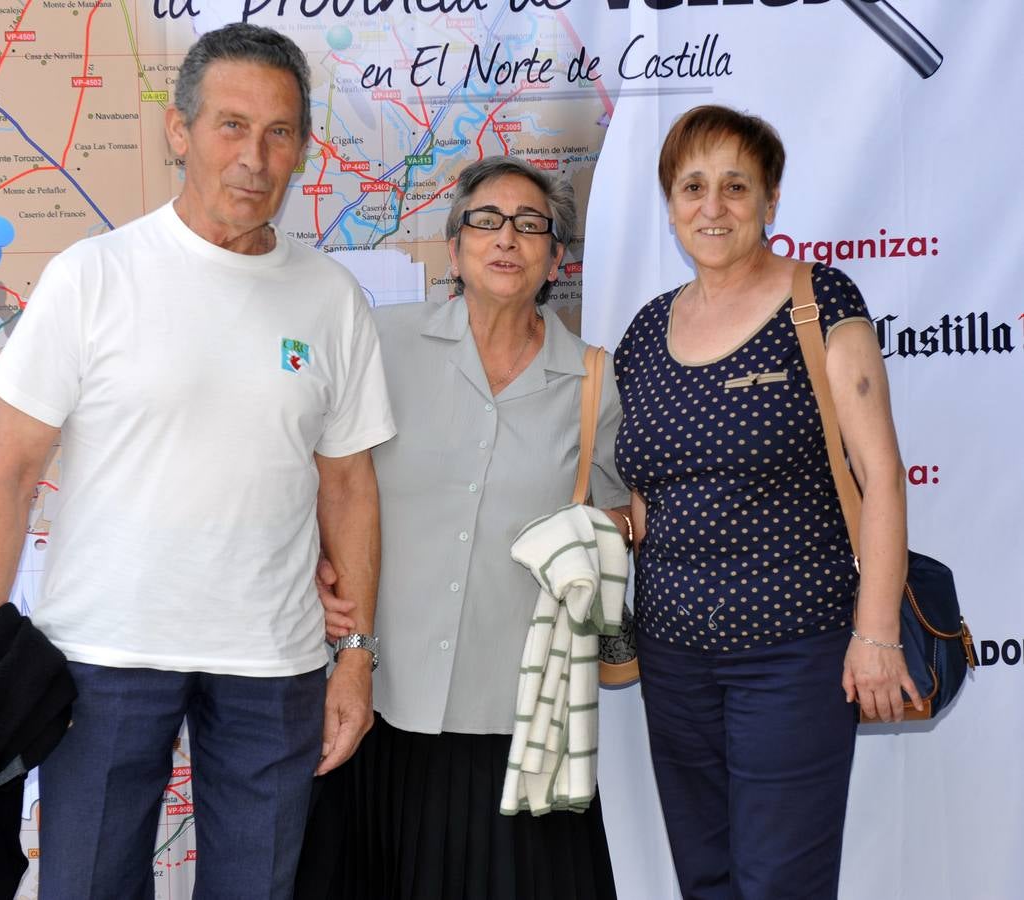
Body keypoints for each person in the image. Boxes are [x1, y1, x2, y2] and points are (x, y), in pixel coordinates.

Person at [0, 24, 395, 899]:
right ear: (179, 130)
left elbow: (348, 484)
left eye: (279, 133)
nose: (255, 157)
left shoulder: (331, 298)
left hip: (274, 663)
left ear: (303, 149)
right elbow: (5, 477)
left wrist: (355, 656)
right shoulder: (94, 276)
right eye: (230, 126)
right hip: (102, 653)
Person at [295, 157, 628, 900]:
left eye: (529, 224)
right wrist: (307, 559)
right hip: (377, 698)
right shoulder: (379, 344)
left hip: (520, 718)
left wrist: (610, 531)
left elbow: (623, 516)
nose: (506, 237)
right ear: (455, 248)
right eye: (485, 220)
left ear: (555, 258)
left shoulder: (593, 383)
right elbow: (315, 473)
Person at [613, 104, 920, 899]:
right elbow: (646, 497)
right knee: (706, 877)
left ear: (770, 201)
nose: (711, 207)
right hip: (675, 658)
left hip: (794, 652)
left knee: (779, 880)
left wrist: (876, 634)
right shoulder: (645, 333)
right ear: (670, 202)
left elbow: (880, 474)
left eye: (734, 187)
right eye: (691, 187)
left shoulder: (818, 302)